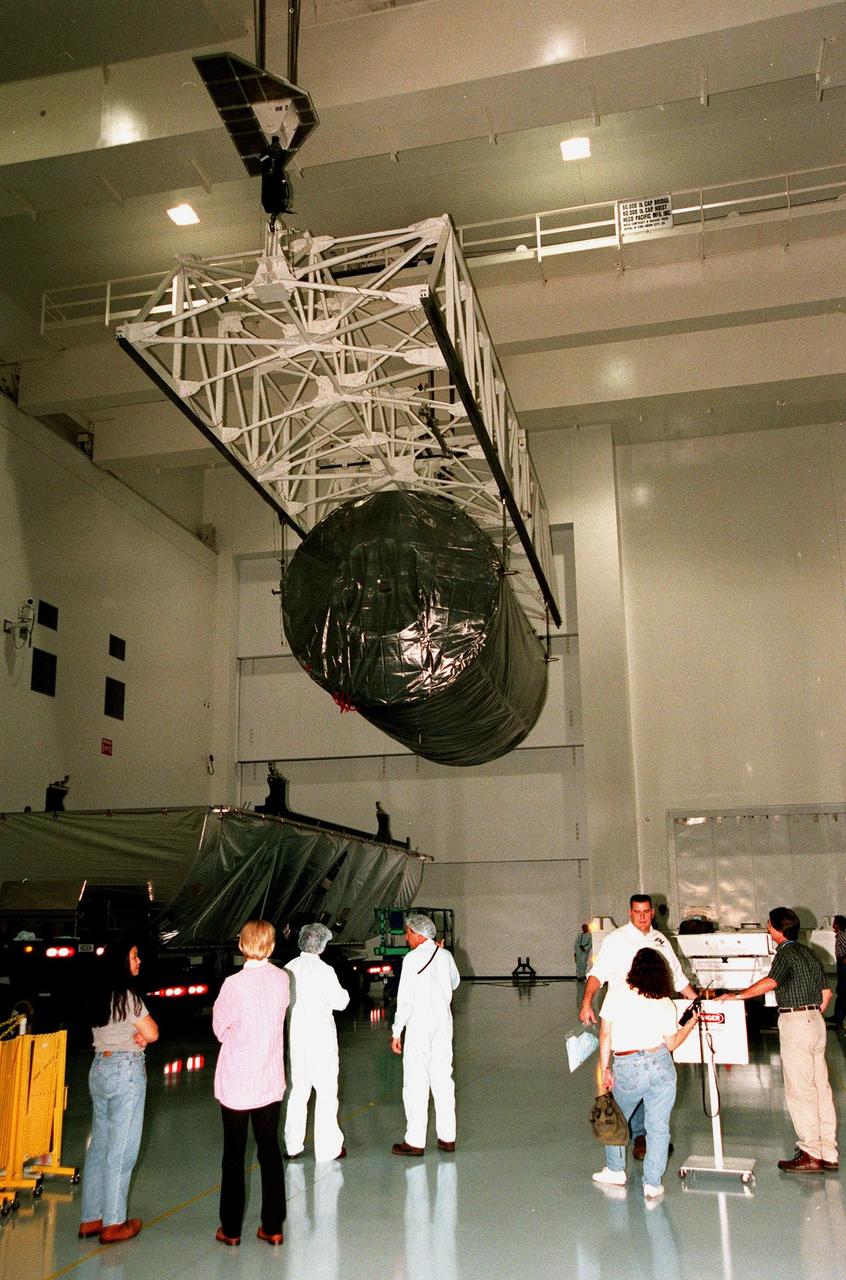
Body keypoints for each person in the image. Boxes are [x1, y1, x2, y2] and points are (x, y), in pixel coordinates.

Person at [718, 906, 837, 1173]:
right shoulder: (808, 952)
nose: (766, 928)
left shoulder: (785, 952)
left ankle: (810, 1153)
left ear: (777, 929)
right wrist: (812, 1015)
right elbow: (826, 993)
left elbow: (771, 982)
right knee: (820, 1088)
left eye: (768, 925)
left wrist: (737, 996)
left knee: (800, 1090)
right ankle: (828, 1151)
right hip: (815, 1023)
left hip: (796, 1022)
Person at [579, 894, 697, 1161]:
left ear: (653, 913)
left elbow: (679, 980)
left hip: (654, 1017)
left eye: (646, 912)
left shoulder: (661, 941)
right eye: (637, 912)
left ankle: (644, 1138)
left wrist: (698, 1001)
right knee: (629, 1085)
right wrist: (586, 1002)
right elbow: (597, 974)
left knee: (652, 1079)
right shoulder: (616, 940)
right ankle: (635, 1136)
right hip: (623, 1016)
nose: (642, 916)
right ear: (629, 912)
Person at [593, 948, 699, 1199]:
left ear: (633, 969)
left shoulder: (616, 995)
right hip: (661, 1064)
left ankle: (616, 1170)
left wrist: (605, 1068)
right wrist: (691, 1023)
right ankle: (652, 1183)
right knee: (658, 1127)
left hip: (628, 1065)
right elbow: (671, 1045)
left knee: (617, 1119)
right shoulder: (665, 1003)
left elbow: (605, 1035)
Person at [212, 919, 290, 1246]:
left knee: (234, 1154)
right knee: (270, 1152)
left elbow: (219, 1028)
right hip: (268, 1080)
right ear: (271, 946)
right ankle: (272, 1227)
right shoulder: (282, 979)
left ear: (242, 945)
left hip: (237, 1082)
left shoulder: (233, 984)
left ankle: (230, 1229)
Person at [78, 939, 159, 1244]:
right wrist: (140, 1035)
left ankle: (91, 1217)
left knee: (99, 1145)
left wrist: (135, 1034)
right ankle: (113, 1222)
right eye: (135, 957)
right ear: (121, 963)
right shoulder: (128, 997)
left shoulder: (97, 994)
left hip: (99, 1068)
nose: (139, 962)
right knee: (122, 1148)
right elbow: (152, 1032)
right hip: (125, 1071)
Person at [390, 913, 460, 1156]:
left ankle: (415, 1141)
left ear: (419, 935)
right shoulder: (446, 955)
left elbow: (405, 1000)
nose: (406, 938)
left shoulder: (411, 959)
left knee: (415, 1082)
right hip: (442, 1024)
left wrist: (397, 1030)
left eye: (408, 933)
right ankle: (447, 1137)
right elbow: (454, 983)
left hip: (419, 1025)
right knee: (443, 1078)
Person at [284, 922, 350, 1162]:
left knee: (298, 1092)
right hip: (321, 1040)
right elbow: (340, 1002)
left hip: (297, 1038)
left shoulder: (289, 968)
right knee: (326, 1093)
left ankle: (293, 1146)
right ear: (322, 945)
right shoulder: (325, 971)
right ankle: (328, 1149)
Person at [832, 914, 846, 1028]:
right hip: (841, 963)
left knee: (842, 990)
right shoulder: (839, 935)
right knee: (841, 990)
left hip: (843, 964)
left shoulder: (842, 935)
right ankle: (838, 1015)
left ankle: (839, 1016)